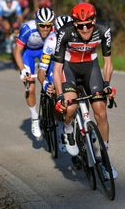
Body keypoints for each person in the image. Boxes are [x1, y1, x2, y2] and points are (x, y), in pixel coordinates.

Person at [52, 3, 117, 178]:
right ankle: (67, 130)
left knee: (101, 112)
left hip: (91, 69)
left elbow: (108, 62)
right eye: (80, 25)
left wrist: (106, 84)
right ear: (74, 24)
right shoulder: (65, 33)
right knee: (71, 107)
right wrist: (59, 96)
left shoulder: (103, 30)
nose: (85, 29)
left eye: (89, 24)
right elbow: (57, 69)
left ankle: (105, 158)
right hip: (69, 70)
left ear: (94, 20)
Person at [13, 7, 55, 140]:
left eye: (48, 25)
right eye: (42, 25)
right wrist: (23, 70)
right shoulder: (27, 28)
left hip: (45, 51)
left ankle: (57, 119)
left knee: (54, 83)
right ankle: (35, 118)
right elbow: (17, 52)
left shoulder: (55, 31)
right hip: (28, 54)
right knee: (30, 88)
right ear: (37, 23)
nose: (45, 29)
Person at [38, 15, 73, 151]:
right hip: (54, 66)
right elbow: (42, 70)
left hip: (70, 64)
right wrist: (45, 84)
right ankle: (60, 130)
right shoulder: (51, 41)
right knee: (56, 91)